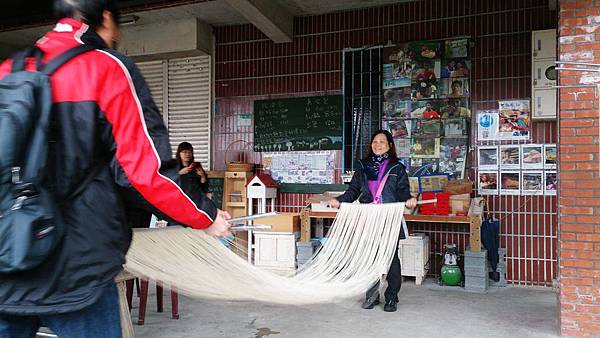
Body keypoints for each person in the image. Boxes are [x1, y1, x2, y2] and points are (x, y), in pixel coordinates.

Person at [0, 1, 231, 337]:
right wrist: (205, 216)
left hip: (9, 258)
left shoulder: (9, 70)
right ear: (106, 17)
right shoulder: (106, 68)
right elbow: (144, 173)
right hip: (79, 270)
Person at [327, 130, 417, 313]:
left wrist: (409, 199)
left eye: (382, 142)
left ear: (390, 145)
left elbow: (402, 192)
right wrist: (339, 201)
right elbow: (352, 192)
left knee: (391, 260)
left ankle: (391, 298)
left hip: (389, 218)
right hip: (368, 218)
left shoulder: (397, 168)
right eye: (375, 142)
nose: (377, 145)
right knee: (369, 258)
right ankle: (372, 295)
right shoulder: (363, 166)